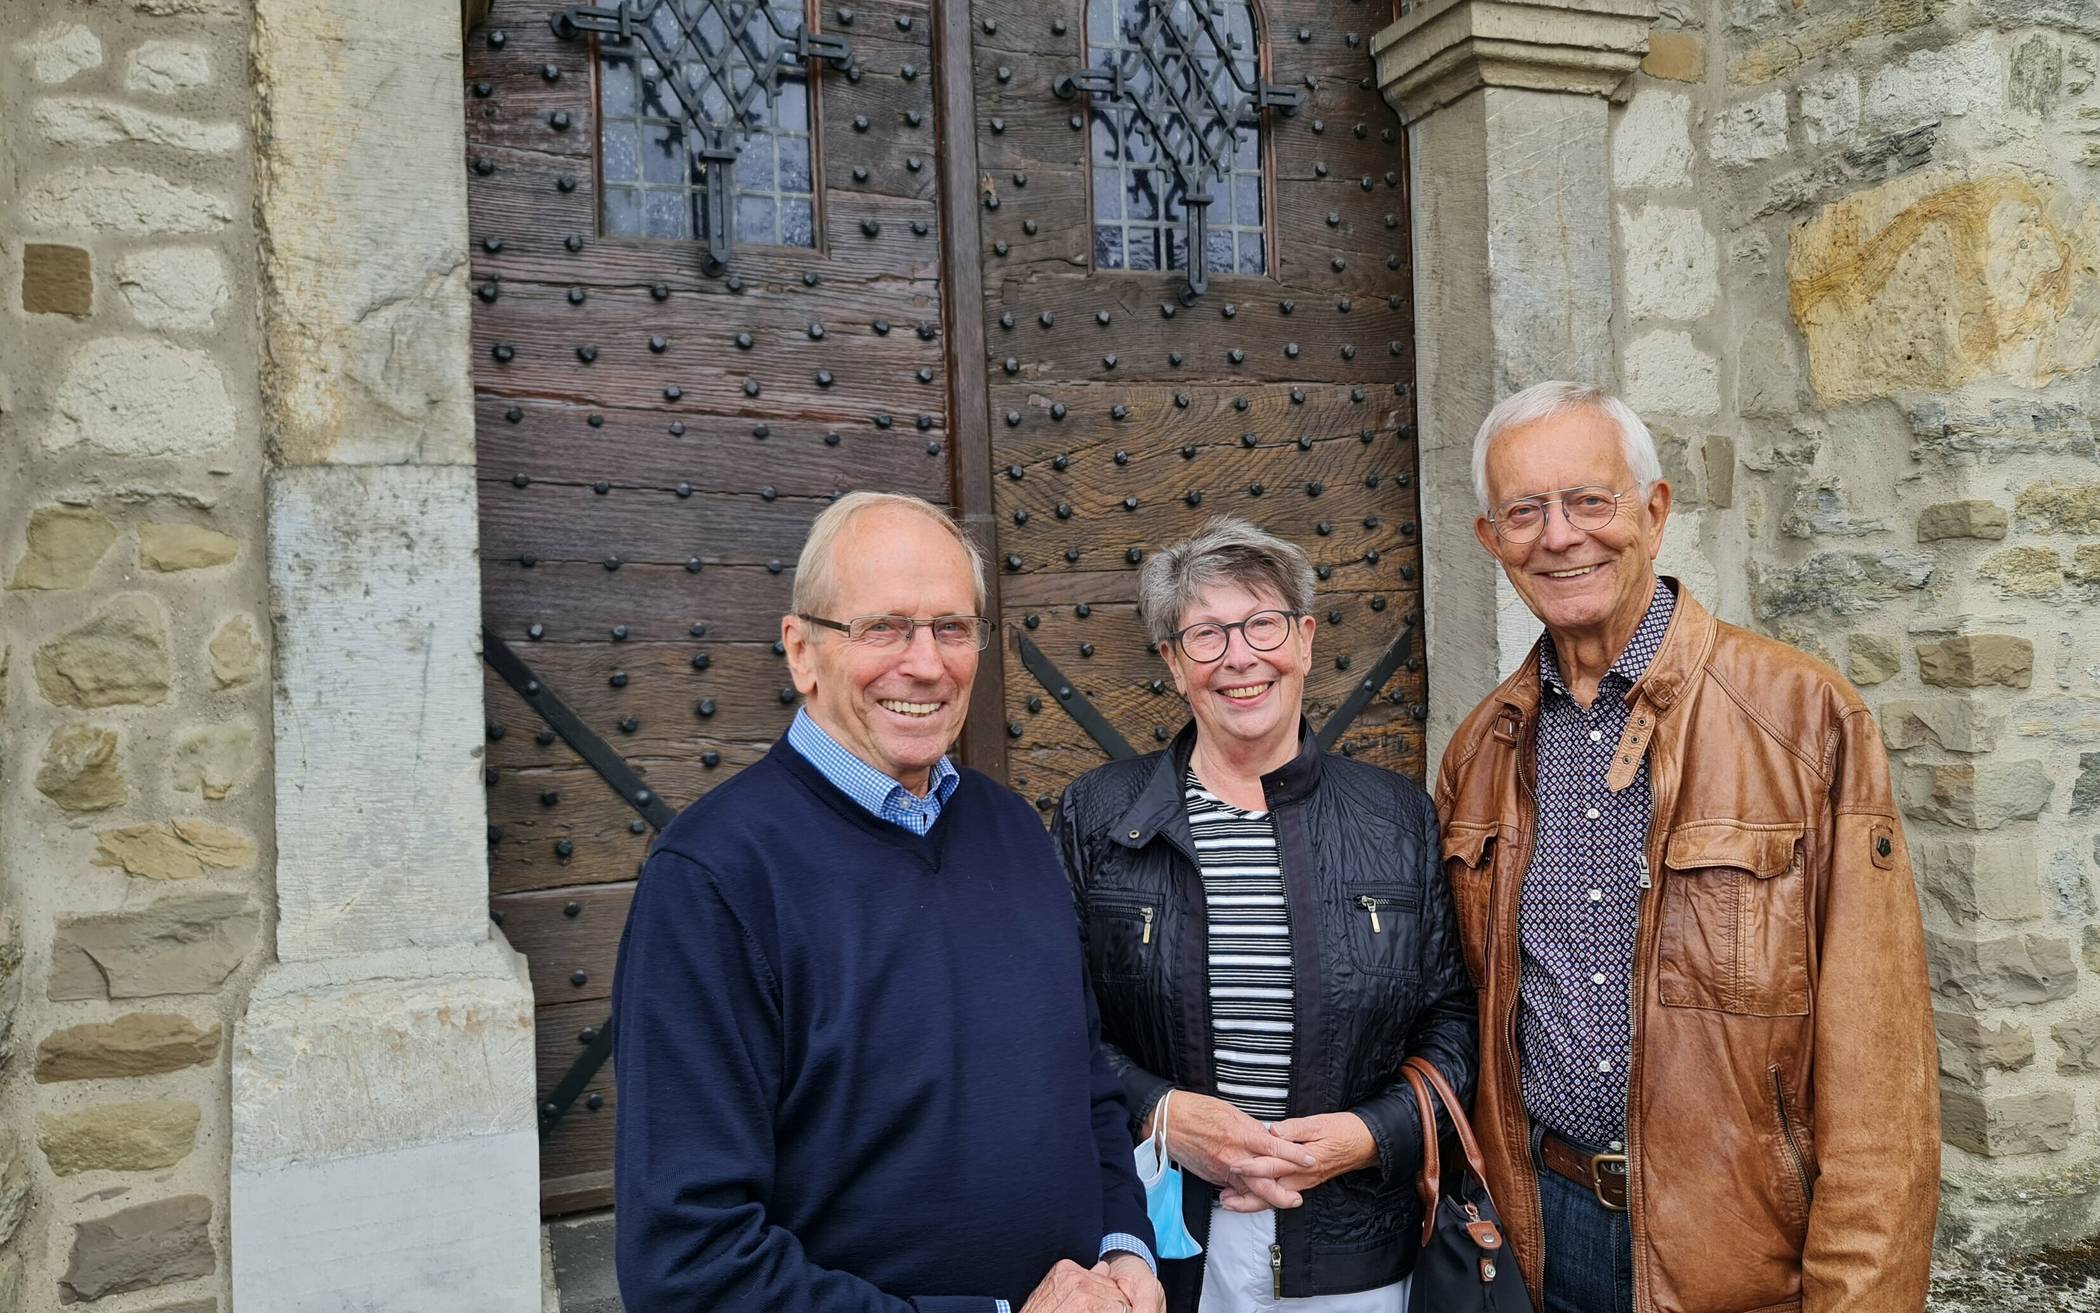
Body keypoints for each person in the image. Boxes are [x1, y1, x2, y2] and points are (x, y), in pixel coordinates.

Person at [1435, 381, 1938, 1313]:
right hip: (1545, 1238)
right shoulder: (1478, 753)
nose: (1561, 535)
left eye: (1592, 499)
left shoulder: (1802, 717)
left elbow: (1883, 1084)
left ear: (1654, 511)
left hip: (1745, 1251)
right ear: (1490, 540)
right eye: (1525, 511)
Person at [611, 491, 1165, 1313]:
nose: (926, 662)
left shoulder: (1010, 827)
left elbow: (1082, 1082)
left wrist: (1127, 1250)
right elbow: (689, 1260)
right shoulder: (714, 878)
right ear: (802, 651)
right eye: (883, 627)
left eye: (951, 626)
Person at [1054, 517, 1477, 1313]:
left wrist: (1369, 1135)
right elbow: (1057, 1026)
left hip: (1355, 1253)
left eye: (1262, 624)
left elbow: (1452, 1021)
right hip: (1160, 1248)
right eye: (1206, 634)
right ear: (1174, 664)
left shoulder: (1395, 817)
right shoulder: (1099, 814)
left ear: (1307, 640)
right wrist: (1162, 1113)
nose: (1240, 656)